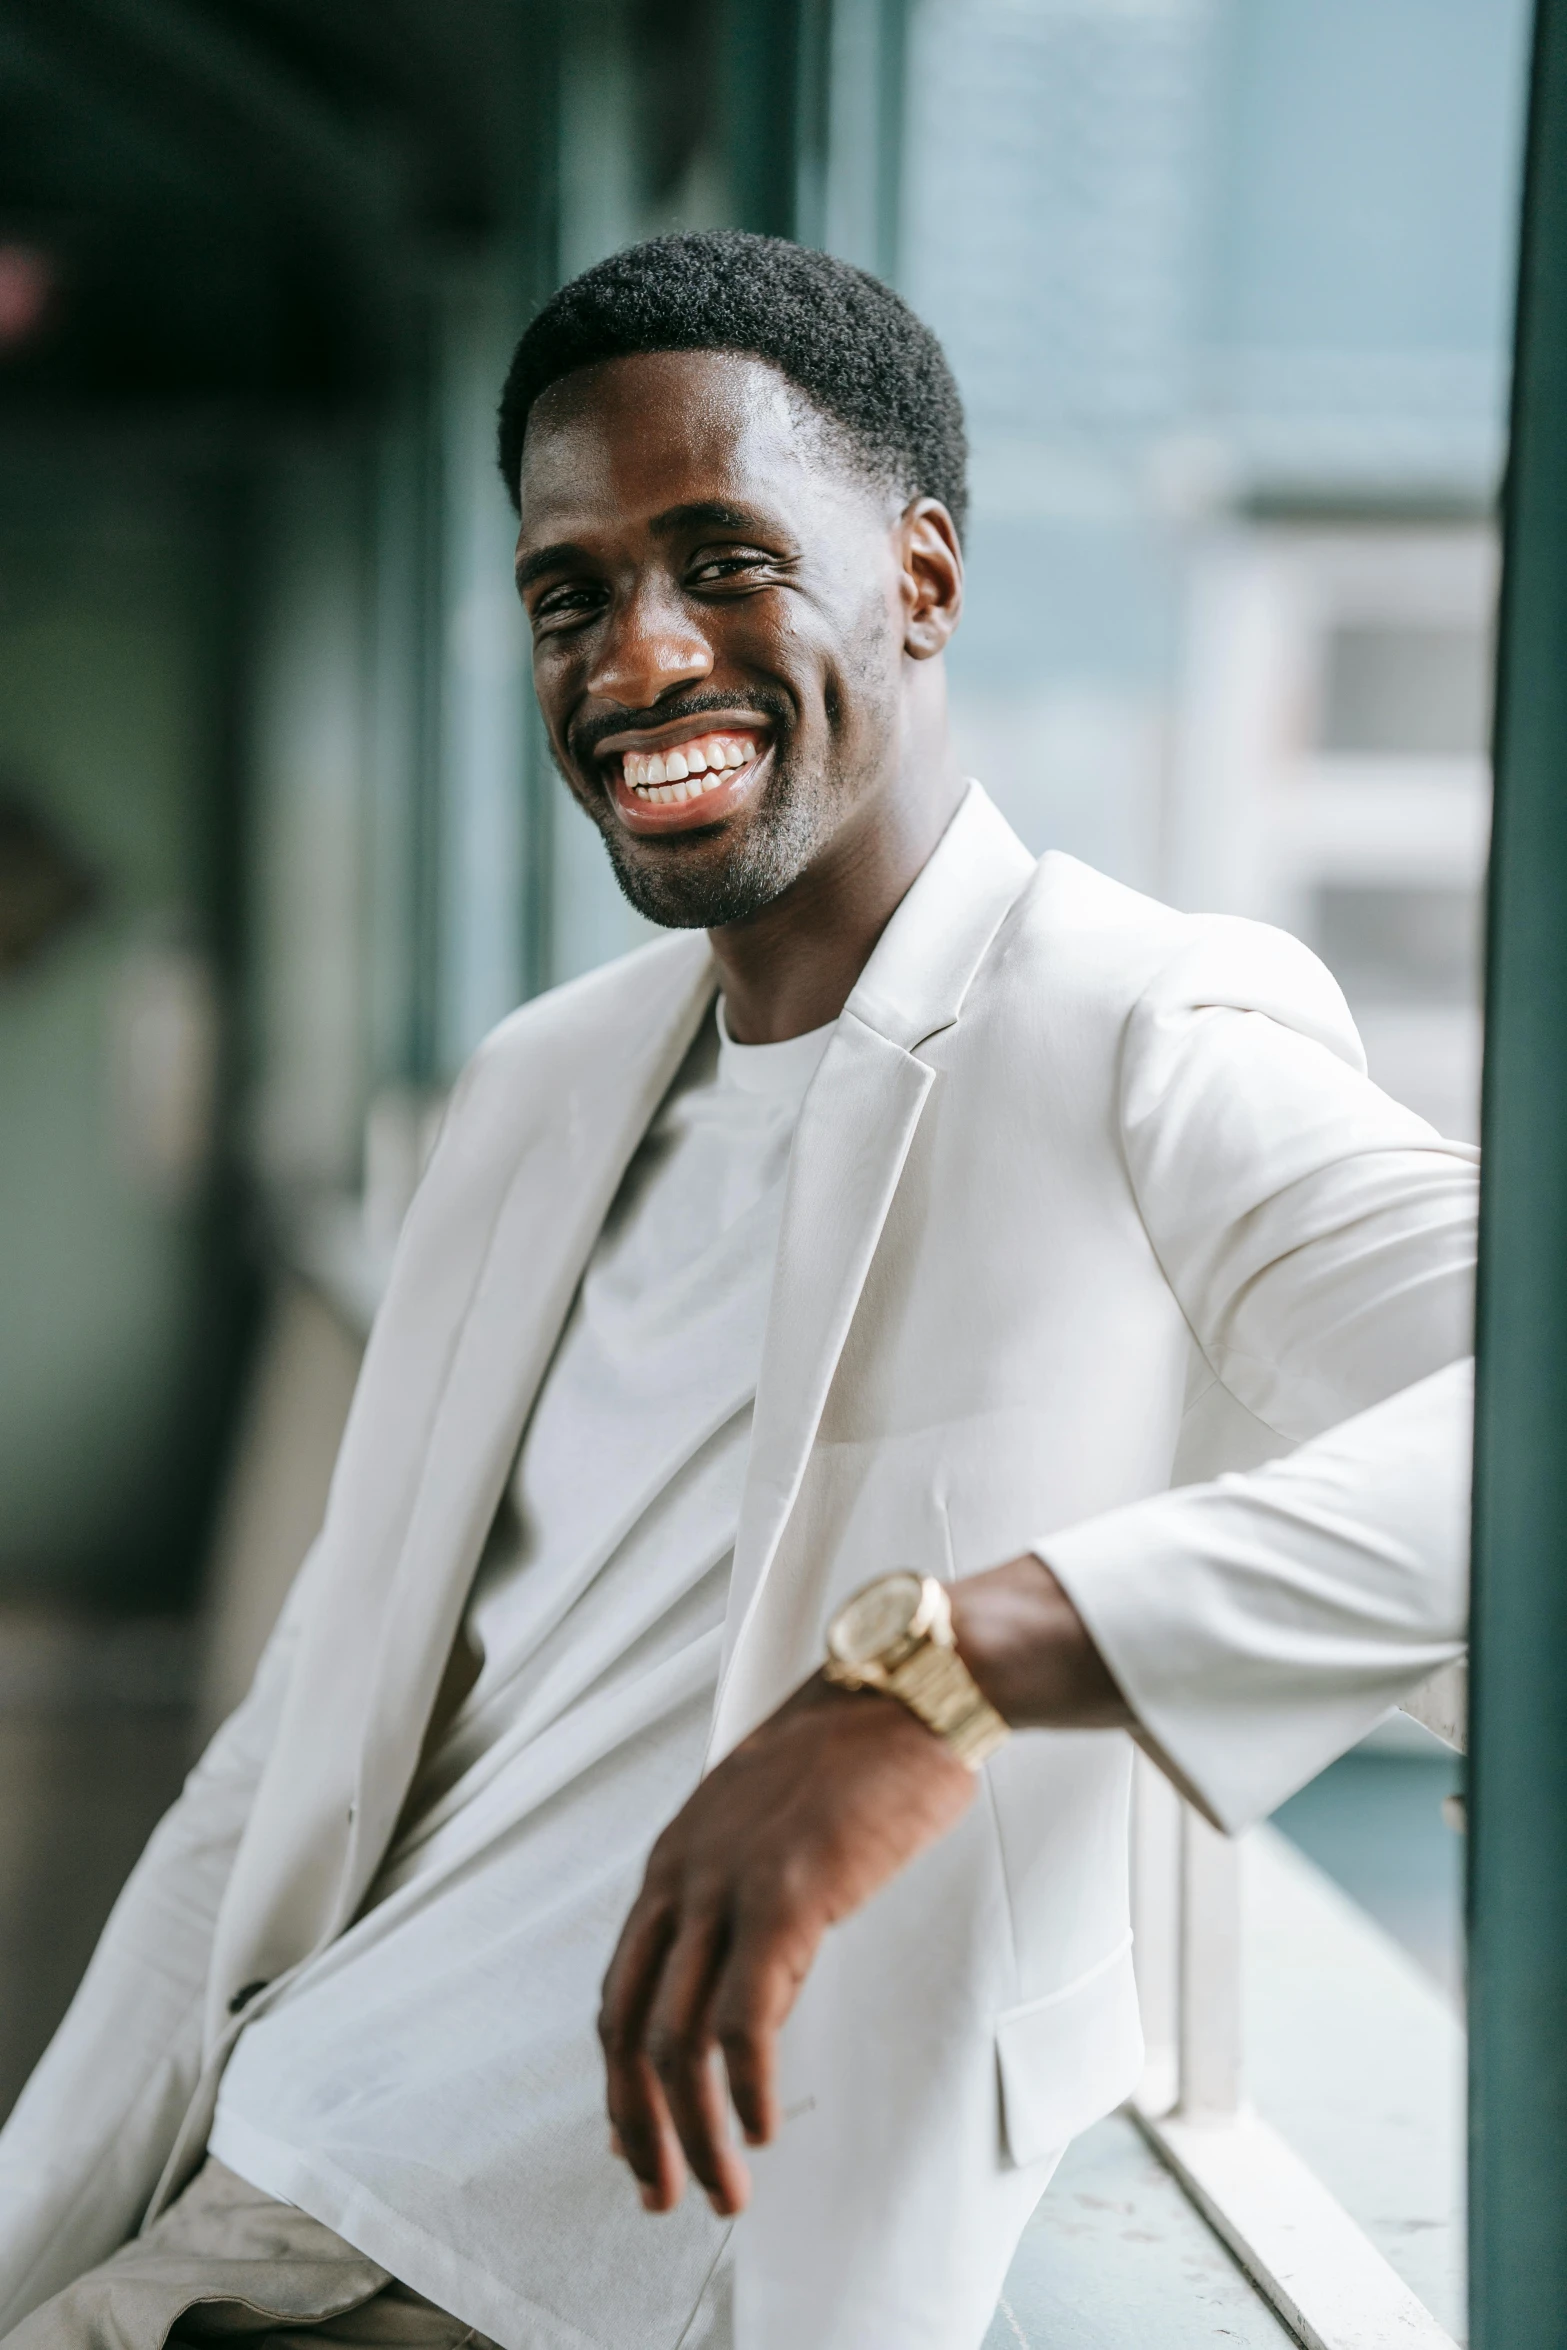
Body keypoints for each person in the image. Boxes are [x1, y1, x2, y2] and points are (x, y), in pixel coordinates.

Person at [0, 232, 1474, 2350]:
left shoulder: (1146, 1027)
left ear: (926, 582)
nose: (637, 656)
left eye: (725, 560)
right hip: (262, 2190)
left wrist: (941, 1671)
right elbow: (295, 1740)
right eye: (571, 592)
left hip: (637, 2275)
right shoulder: (534, 1089)